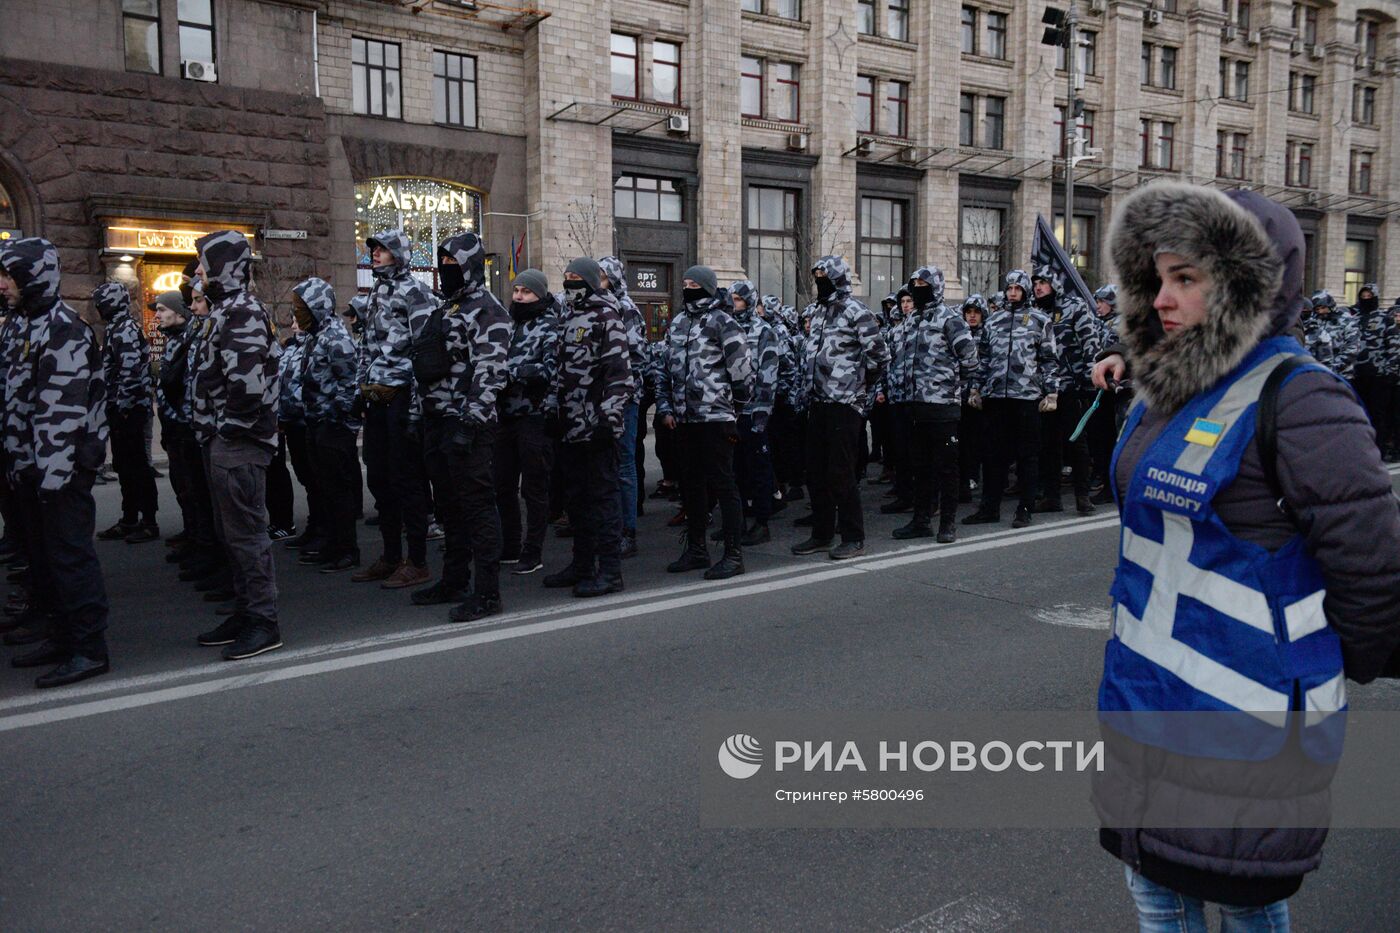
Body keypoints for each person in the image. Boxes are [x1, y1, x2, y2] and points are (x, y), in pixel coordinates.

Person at [1091, 182, 1400, 932]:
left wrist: (1305, 673)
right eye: (1157, 278)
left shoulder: (1303, 399)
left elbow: (1374, 570)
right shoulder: (1172, 386)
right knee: (1157, 897)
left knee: (1248, 902)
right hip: (1148, 706)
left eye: (1186, 278)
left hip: (1246, 725)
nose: (1161, 298)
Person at [0, 238, 112, 687]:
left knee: (70, 558)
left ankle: (89, 648)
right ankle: (61, 634)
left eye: (9, 275)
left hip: (58, 473)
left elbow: (59, 415)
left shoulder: (63, 327)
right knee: (44, 558)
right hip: (28, 468)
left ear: (33, 277)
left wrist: (52, 477)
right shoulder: (20, 325)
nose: (3, 284)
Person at [189, 230, 282, 660]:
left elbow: (247, 386)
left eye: (205, 263)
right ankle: (246, 612)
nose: (200, 272)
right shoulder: (224, 310)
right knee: (232, 535)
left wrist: (229, 429)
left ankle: (264, 622)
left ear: (224, 266)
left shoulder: (242, 312)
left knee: (247, 536)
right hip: (222, 439)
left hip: (239, 443)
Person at [409, 232, 511, 622]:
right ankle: (453, 580)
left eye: (454, 263)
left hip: (468, 426)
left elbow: (491, 371)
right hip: (438, 422)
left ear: (470, 265)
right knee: (449, 508)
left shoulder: (488, 311)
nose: (446, 269)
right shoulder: (447, 308)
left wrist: (469, 422)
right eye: (443, 262)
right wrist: (418, 417)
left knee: (478, 508)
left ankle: (488, 593)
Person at [656, 267, 753, 580]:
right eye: (684, 284)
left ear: (709, 288)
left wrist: (734, 407)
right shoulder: (679, 323)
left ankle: (733, 554)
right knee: (692, 485)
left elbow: (741, 372)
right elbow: (664, 369)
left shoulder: (723, 322)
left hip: (715, 417)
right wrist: (667, 407)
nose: (688, 289)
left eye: (695, 285)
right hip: (685, 419)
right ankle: (697, 549)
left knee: (723, 483)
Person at [791, 256, 889, 560]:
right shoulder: (818, 312)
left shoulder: (855, 312)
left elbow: (880, 357)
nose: (820, 281)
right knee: (815, 471)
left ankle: (853, 536)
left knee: (841, 472)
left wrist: (858, 388)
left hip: (845, 404)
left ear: (838, 278)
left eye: (825, 276)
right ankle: (821, 534)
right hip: (818, 402)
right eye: (816, 275)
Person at [543, 258, 631, 597]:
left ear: (593, 282)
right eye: (566, 278)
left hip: (597, 427)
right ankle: (582, 564)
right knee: (576, 499)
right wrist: (552, 409)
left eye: (576, 278)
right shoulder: (567, 319)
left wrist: (610, 419)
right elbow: (560, 372)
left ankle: (610, 571)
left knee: (603, 498)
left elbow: (619, 376)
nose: (569, 283)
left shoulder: (608, 317)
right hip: (570, 426)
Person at [354, 230, 432, 589]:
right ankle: (389, 556)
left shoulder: (416, 292)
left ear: (399, 253)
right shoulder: (375, 293)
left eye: (383, 249)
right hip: (377, 396)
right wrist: (360, 390)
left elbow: (423, 351)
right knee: (379, 478)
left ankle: (417, 560)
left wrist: (416, 407)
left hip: (402, 394)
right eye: (374, 250)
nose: (376, 254)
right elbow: (366, 346)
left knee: (407, 480)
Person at [963, 270, 1059, 528]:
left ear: (1025, 290)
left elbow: (1049, 359)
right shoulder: (994, 322)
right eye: (1009, 288)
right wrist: (975, 388)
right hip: (996, 397)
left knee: (1028, 456)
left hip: (1026, 397)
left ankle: (1024, 508)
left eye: (1018, 288)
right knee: (993, 456)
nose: (1013, 292)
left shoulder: (1040, 320)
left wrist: (1051, 392)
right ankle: (989, 508)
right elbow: (982, 359)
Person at [891, 267, 977, 543]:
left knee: (947, 468)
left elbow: (970, 360)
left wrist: (950, 386)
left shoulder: (950, 319)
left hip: (942, 407)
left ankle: (947, 523)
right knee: (921, 468)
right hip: (915, 406)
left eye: (923, 283)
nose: (918, 288)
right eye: (914, 283)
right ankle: (921, 521)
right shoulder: (910, 320)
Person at [292, 277, 362, 573]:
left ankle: (346, 550)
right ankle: (330, 544)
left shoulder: (336, 337)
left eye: (302, 307)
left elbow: (350, 384)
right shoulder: (315, 336)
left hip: (333, 427)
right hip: (316, 423)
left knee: (339, 491)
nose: (297, 314)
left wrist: (339, 422)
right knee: (323, 489)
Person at [495, 268, 561, 577]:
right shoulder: (508, 324)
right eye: (516, 291)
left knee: (534, 489)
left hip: (534, 416)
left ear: (540, 294)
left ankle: (532, 551)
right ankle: (510, 545)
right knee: (502, 484)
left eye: (526, 292)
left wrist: (512, 372)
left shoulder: (550, 326)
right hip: (505, 415)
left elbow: (550, 370)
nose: (519, 296)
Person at [93, 282, 159, 544]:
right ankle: (129, 518)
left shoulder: (125, 330)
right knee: (125, 466)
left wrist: (123, 408)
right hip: (120, 408)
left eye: (101, 303)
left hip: (130, 410)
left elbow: (130, 373)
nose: (98, 309)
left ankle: (149, 521)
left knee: (137, 467)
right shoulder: (115, 329)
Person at [1031, 264, 1100, 516]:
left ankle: (1082, 497)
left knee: (1075, 442)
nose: (1038, 287)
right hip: (1043, 389)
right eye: (1035, 283)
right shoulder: (1033, 312)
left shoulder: (1075, 307)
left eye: (1043, 282)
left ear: (1055, 284)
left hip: (1070, 386)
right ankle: (1052, 496)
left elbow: (1090, 344)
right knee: (1048, 445)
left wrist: (1088, 379)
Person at [598, 256, 647, 560]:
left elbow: (635, 356)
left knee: (625, 466)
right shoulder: (597, 307)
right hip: (602, 398)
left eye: (603, 276)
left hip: (624, 399)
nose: (598, 279)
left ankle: (627, 532)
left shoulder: (626, 309)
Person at [728, 280, 778, 545]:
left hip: (754, 409)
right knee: (736, 470)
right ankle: (738, 522)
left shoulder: (764, 331)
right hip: (731, 411)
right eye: (732, 299)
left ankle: (761, 522)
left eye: (738, 299)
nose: (734, 304)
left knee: (758, 468)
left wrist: (762, 412)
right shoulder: (727, 327)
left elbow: (768, 375)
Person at [151, 292, 198, 557]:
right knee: (182, 484)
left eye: (161, 309)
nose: (157, 315)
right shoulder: (174, 341)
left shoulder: (190, 341)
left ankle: (199, 540)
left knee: (193, 487)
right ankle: (191, 532)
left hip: (186, 427)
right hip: (174, 427)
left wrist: (185, 423)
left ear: (178, 312)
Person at [1086, 284, 1122, 504]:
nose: (1098, 305)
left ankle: (1111, 486)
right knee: (1098, 437)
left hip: (1116, 391)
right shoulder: (1099, 323)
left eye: (1102, 301)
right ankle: (1103, 478)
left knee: (1111, 437)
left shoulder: (1122, 325)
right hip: (1099, 388)